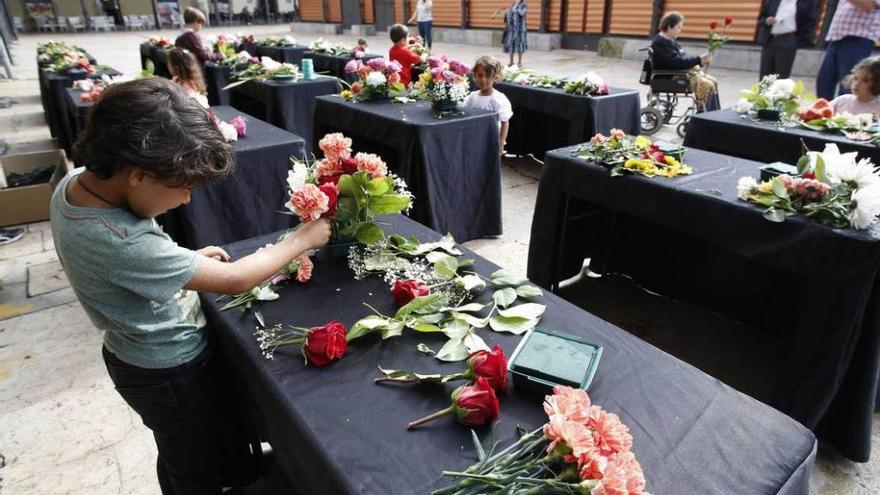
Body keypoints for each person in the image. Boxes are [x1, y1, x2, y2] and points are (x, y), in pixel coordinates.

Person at [50, 78, 331, 494]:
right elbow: (236, 280)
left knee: (187, 446)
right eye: (181, 187)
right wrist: (301, 239)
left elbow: (125, 260)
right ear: (138, 174)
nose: (185, 200)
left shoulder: (74, 183)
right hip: (169, 371)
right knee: (192, 465)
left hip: (137, 358)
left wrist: (186, 262)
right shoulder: (120, 241)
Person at [651, 12, 719, 111]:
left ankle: (712, 114)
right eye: (678, 27)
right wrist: (698, 60)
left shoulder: (669, 41)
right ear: (670, 27)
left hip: (678, 73)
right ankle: (704, 116)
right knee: (707, 85)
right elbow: (676, 62)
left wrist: (699, 61)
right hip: (669, 77)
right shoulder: (660, 43)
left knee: (713, 81)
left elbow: (682, 57)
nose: (680, 30)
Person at [816, 0, 880, 100]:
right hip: (837, 37)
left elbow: (869, 5)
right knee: (824, 82)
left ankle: (846, 114)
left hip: (859, 38)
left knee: (849, 85)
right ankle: (823, 112)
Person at [464, 55, 513, 156]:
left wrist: (501, 143)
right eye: (480, 75)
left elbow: (505, 122)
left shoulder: (498, 99)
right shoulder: (472, 97)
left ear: (495, 77)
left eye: (488, 76)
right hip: (474, 139)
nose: (483, 80)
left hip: (491, 141)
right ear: (474, 76)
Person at [757, 0, 818, 79]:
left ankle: (779, 92)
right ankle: (764, 92)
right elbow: (761, 17)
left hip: (788, 40)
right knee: (765, 76)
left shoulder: (806, 3)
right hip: (770, 39)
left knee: (781, 77)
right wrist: (766, 21)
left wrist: (796, 42)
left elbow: (810, 23)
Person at [503, 0, 527, 67]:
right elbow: (509, 15)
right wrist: (506, 13)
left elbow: (521, 13)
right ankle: (511, 62)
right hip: (511, 29)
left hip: (520, 29)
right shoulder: (512, 5)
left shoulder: (523, 5)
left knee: (520, 45)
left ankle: (519, 62)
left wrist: (517, 6)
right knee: (511, 44)